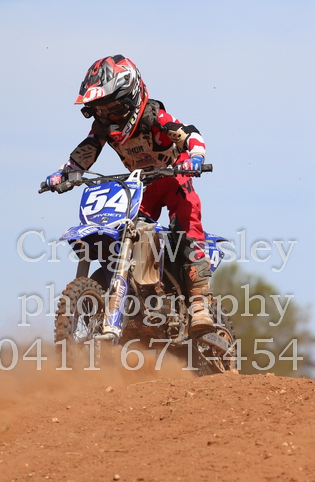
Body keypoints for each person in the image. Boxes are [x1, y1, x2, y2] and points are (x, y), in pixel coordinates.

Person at [45, 55, 214, 332]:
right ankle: (138, 296)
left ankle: (199, 301)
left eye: (112, 108)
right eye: (99, 109)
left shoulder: (153, 116)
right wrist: (66, 172)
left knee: (187, 219)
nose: (107, 115)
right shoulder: (104, 127)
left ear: (132, 98)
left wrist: (195, 156)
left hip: (174, 177)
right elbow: (88, 148)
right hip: (141, 186)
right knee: (125, 230)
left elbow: (189, 133)